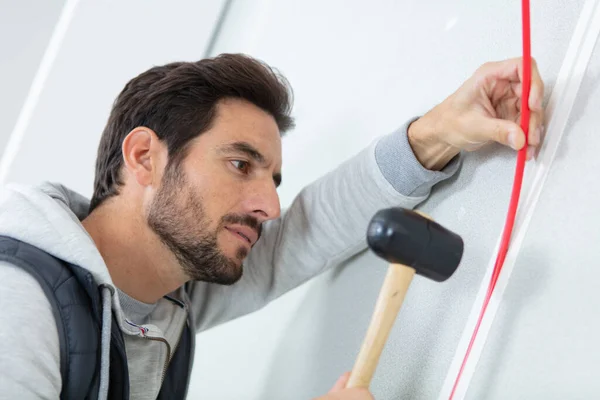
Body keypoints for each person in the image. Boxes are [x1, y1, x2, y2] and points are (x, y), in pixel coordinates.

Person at [0, 53, 544, 400]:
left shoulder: (167, 294)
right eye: (240, 165)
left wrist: (436, 133)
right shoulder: (18, 303)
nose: (269, 205)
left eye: (273, 179)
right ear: (145, 157)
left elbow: (306, 230)